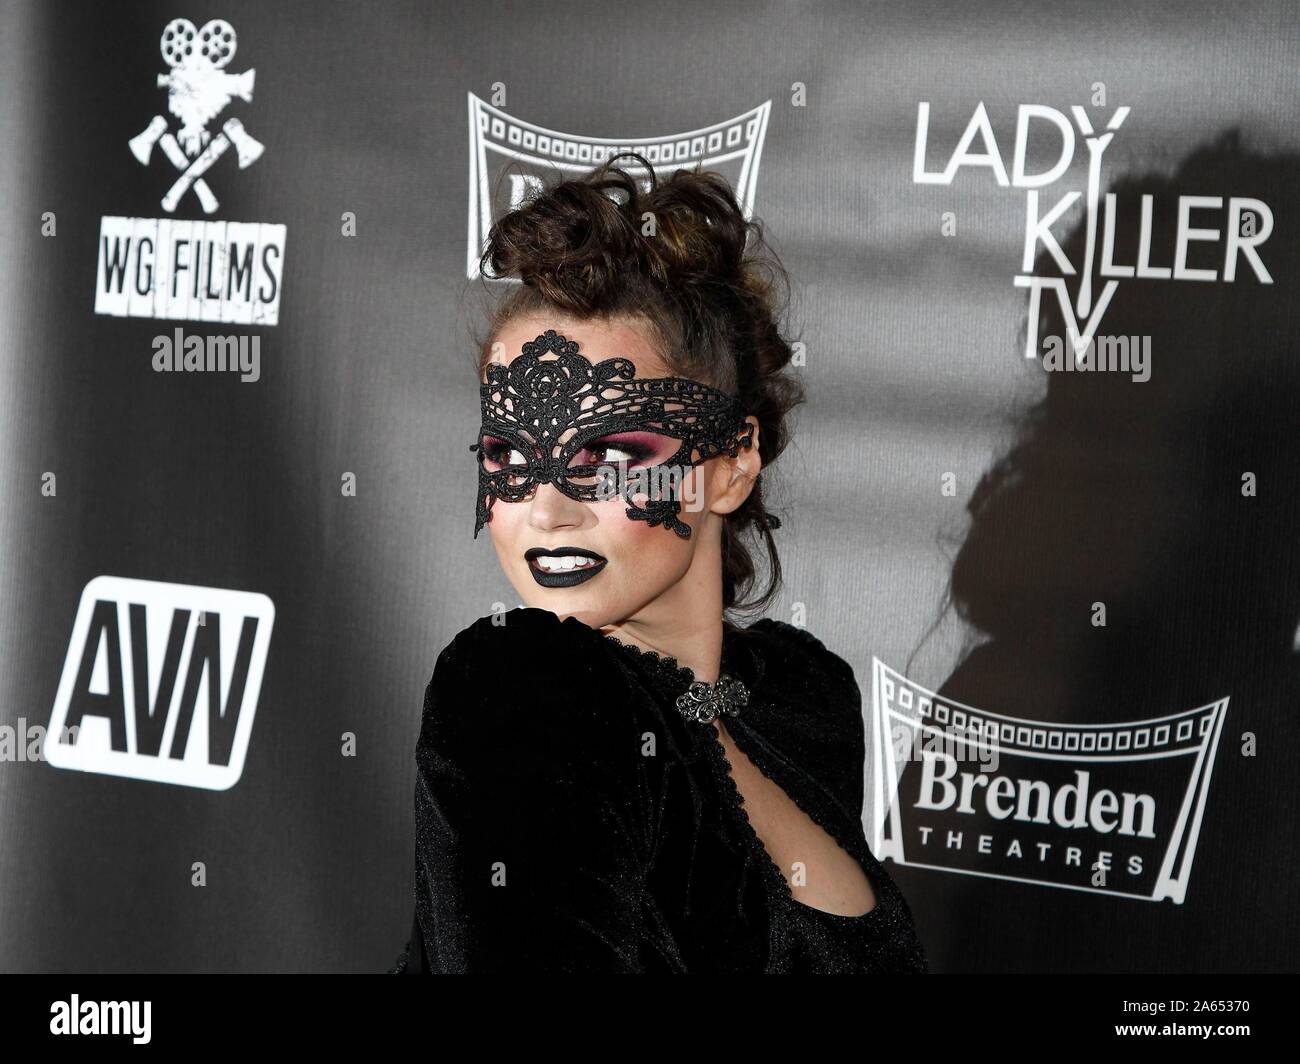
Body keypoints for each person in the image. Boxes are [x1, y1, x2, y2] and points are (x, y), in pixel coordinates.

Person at [390, 152, 928, 973]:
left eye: (606, 457)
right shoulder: (523, 697)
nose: (546, 509)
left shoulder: (797, 699)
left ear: (729, 464)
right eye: (509, 456)